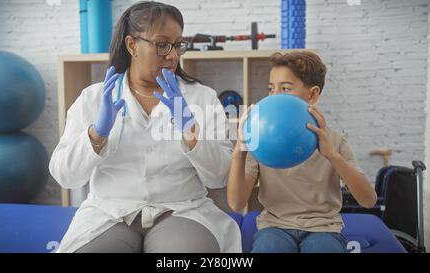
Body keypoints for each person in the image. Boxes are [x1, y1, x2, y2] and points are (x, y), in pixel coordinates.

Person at [49, 1, 241, 253]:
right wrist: (97, 134)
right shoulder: (94, 99)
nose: (172, 54)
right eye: (162, 44)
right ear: (132, 45)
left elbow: (219, 178)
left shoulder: (201, 98)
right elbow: (66, 176)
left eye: (178, 45)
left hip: (181, 210)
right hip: (109, 212)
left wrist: (190, 130)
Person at [227, 51, 377, 253]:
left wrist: (332, 155)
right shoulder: (260, 140)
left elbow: (368, 200)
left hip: (323, 228)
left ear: (312, 94)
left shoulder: (335, 142)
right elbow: (237, 203)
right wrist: (240, 149)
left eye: (286, 88)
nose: (274, 97)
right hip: (275, 227)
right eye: (271, 89)